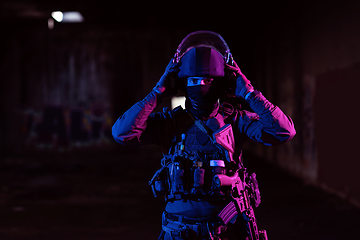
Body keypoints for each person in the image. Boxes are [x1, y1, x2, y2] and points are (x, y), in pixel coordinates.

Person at [112, 31, 296, 240]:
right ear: (181, 83)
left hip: (226, 231)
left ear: (221, 83)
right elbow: (122, 133)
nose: (200, 86)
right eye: (194, 80)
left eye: (208, 80)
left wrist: (249, 93)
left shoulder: (236, 120)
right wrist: (157, 92)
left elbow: (284, 131)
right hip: (178, 232)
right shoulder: (170, 123)